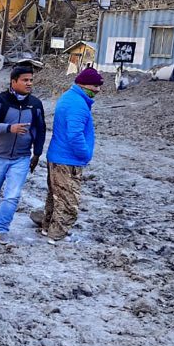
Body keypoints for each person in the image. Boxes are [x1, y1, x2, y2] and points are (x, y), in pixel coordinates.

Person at [0, 65, 46, 243]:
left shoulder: (36, 105)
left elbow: (40, 130)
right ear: (13, 81)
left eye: (31, 80)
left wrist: (37, 153)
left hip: (21, 158)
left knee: (12, 195)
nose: (29, 83)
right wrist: (10, 128)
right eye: (25, 80)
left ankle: (1, 229)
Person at [35, 67, 102, 242]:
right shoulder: (77, 104)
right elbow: (75, 135)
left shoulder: (69, 98)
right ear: (83, 84)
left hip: (58, 157)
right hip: (68, 160)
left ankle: (47, 228)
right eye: (95, 86)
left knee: (55, 197)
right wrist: (85, 155)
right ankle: (56, 236)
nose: (98, 89)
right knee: (68, 202)